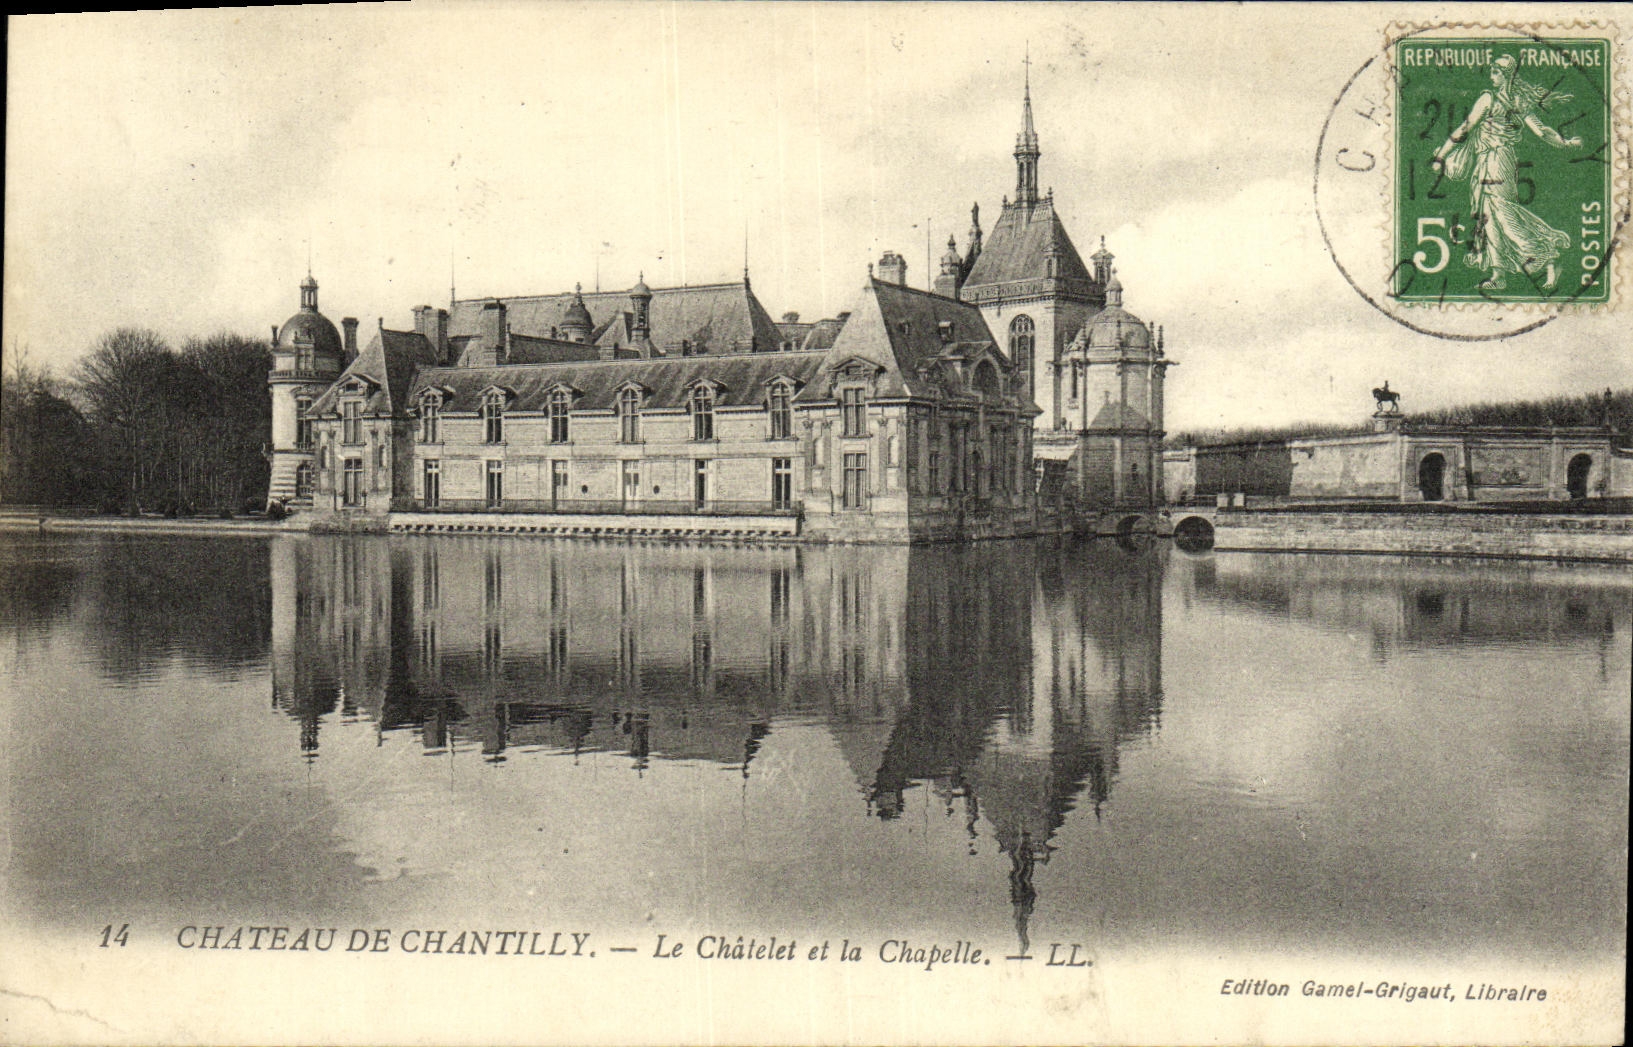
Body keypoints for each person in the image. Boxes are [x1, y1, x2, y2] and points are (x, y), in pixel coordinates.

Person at [1431, 54, 1583, 291]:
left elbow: (1465, 128)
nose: (1491, 77)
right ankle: (1500, 274)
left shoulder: (1489, 98)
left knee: (1500, 213)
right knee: (1492, 215)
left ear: (1506, 75)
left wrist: (1441, 155)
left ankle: (1544, 252)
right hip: (1500, 160)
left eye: (1495, 72)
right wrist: (1565, 143)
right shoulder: (1519, 101)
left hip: (1494, 160)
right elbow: (1542, 131)